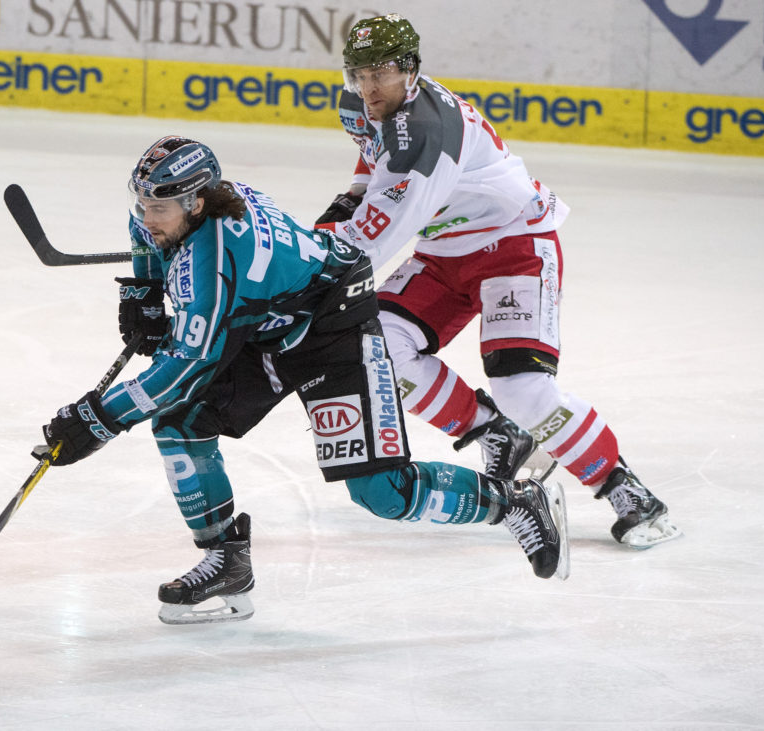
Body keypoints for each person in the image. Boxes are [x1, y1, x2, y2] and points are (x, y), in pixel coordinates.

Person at [39, 135, 570, 625]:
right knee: (180, 426)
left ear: (197, 203)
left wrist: (97, 420)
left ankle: (513, 501)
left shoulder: (219, 263)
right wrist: (143, 294)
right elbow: (144, 234)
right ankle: (226, 559)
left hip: (333, 329)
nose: (146, 216)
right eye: (144, 203)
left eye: (159, 208)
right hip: (270, 323)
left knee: (382, 493)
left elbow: (184, 368)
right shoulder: (186, 209)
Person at [314, 14, 680, 548]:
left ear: (412, 70)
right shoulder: (364, 107)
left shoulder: (427, 134)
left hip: (514, 244)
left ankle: (625, 488)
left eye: (384, 73)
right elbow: (371, 168)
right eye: (360, 74)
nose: (370, 88)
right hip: (444, 250)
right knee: (377, 346)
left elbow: (379, 237)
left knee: (522, 387)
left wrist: (308, 265)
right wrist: (331, 221)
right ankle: (494, 433)